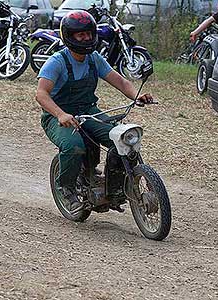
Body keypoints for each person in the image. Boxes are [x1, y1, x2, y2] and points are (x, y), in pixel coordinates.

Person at [36, 10, 153, 213]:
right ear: (69, 37)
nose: (87, 38)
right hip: (58, 115)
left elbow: (121, 81)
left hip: (88, 111)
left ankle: (114, 188)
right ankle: (66, 188)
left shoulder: (94, 58)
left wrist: (136, 96)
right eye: (81, 35)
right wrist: (61, 114)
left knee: (122, 139)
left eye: (89, 33)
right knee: (74, 145)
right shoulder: (57, 62)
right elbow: (41, 94)